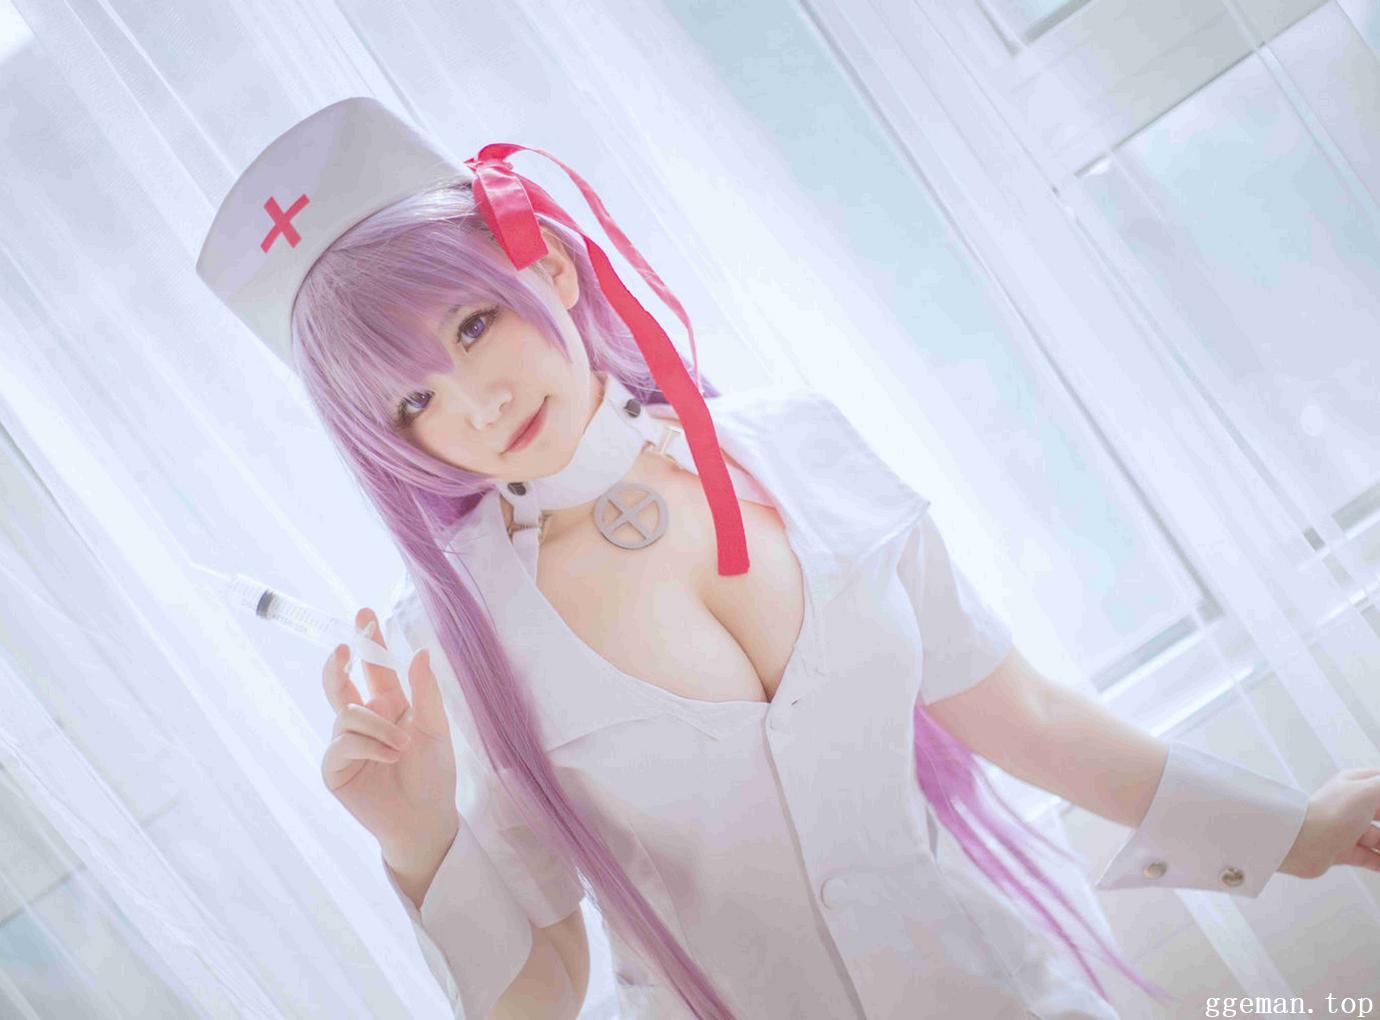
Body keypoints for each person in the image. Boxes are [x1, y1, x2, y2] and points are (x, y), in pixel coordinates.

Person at [196, 98, 1380, 1020]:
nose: (478, 401)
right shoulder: (451, 641)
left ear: (547, 267)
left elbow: (1025, 717)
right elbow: (546, 987)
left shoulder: (799, 444)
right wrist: (417, 844)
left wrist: (1296, 833)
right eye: (412, 403)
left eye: (473, 324)